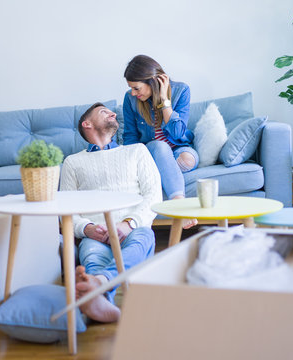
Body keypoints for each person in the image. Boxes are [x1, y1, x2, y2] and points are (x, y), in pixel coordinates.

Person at [60, 102, 162, 323]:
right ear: (87, 124)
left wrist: (127, 224)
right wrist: (87, 229)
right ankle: (100, 298)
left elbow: (154, 196)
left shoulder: (137, 151)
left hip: (134, 229)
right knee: (93, 257)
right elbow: (66, 209)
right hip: (95, 234)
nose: (113, 113)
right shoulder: (72, 162)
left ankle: (98, 284)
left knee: (143, 238)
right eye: (104, 112)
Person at [123, 55, 198, 204]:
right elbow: (130, 136)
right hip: (151, 151)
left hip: (179, 147)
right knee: (160, 146)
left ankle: (161, 169)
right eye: (131, 88)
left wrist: (164, 101)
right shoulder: (130, 99)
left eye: (136, 88)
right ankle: (178, 204)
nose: (133, 93)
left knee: (188, 160)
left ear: (152, 82)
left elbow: (178, 133)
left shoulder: (181, 90)